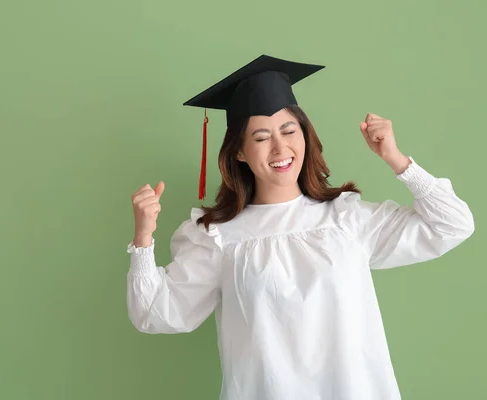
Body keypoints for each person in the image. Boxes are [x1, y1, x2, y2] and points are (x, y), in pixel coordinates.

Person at [125, 55, 475, 400]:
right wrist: (143, 239)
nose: (280, 147)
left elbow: (452, 225)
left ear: (304, 136)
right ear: (240, 152)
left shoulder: (346, 220)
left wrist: (397, 160)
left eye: (289, 130)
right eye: (261, 137)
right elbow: (155, 315)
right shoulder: (220, 238)